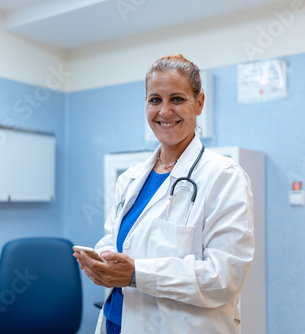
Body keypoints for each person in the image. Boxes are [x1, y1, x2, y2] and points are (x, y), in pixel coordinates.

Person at [74, 54, 255, 334]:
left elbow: (224, 277)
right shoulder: (130, 178)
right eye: (155, 100)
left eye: (178, 99)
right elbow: (117, 239)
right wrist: (102, 260)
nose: (165, 111)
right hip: (116, 321)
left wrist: (137, 274)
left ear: (199, 103)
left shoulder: (224, 176)